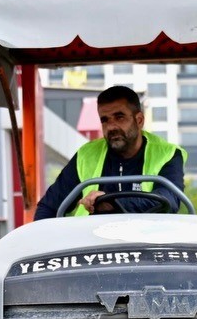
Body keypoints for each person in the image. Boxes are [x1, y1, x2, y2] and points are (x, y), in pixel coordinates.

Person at [33, 85, 187, 219]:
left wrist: (112, 203)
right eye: (104, 120)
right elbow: (48, 207)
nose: (111, 127)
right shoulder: (86, 154)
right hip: (92, 245)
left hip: (148, 245)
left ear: (139, 120)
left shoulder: (167, 154)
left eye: (119, 117)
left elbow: (169, 201)